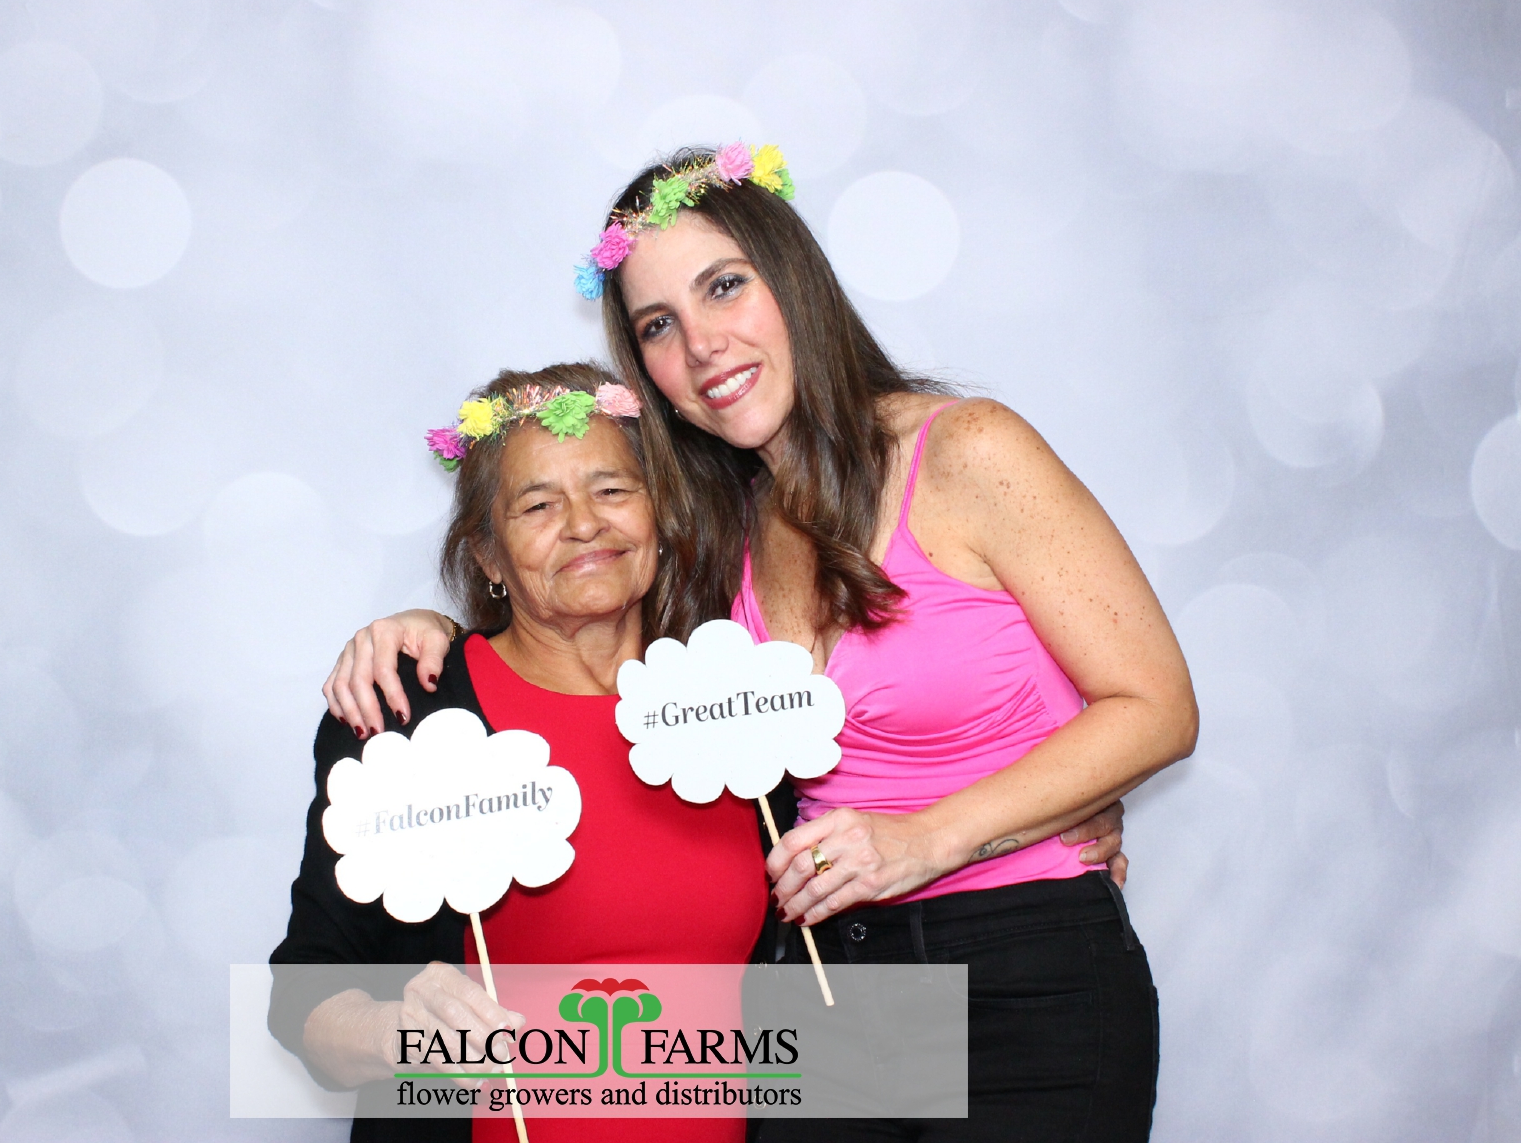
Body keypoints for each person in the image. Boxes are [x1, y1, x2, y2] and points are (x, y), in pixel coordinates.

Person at [322, 145, 1193, 1141]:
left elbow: (1159, 709)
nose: (702, 344)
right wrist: (434, 634)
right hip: (820, 988)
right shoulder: (716, 530)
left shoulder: (967, 450)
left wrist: (944, 834)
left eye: (724, 286)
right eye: (658, 325)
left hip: (1022, 975)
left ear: (792, 278)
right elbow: (576, 629)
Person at [272, 362, 771, 1143]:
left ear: (660, 513)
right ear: (488, 556)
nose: (584, 525)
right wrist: (397, 1032)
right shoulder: (407, 714)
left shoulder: (736, 699)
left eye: (612, 490)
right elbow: (305, 996)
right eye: (538, 505)